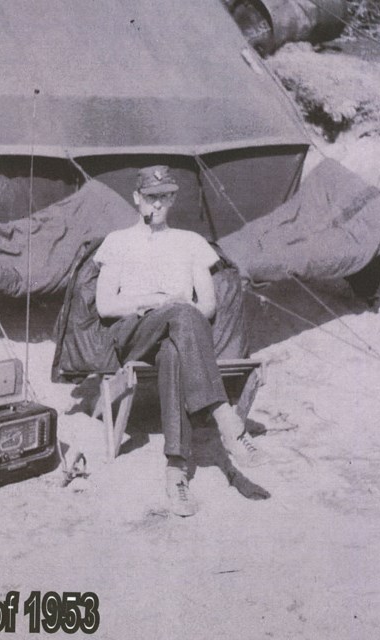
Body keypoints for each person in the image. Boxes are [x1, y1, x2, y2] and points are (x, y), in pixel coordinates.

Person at [93, 165, 269, 517]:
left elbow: (207, 306)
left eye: (164, 197)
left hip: (178, 331)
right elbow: (105, 305)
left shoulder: (191, 242)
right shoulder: (117, 241)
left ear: (172, 199)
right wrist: (154, 303)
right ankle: (225, 418)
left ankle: (176, 471)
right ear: (136, 199)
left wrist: (179, 306)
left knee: (175, 350)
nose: (157, 205)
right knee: (179, 312)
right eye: (150, 197)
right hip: (134, 330)